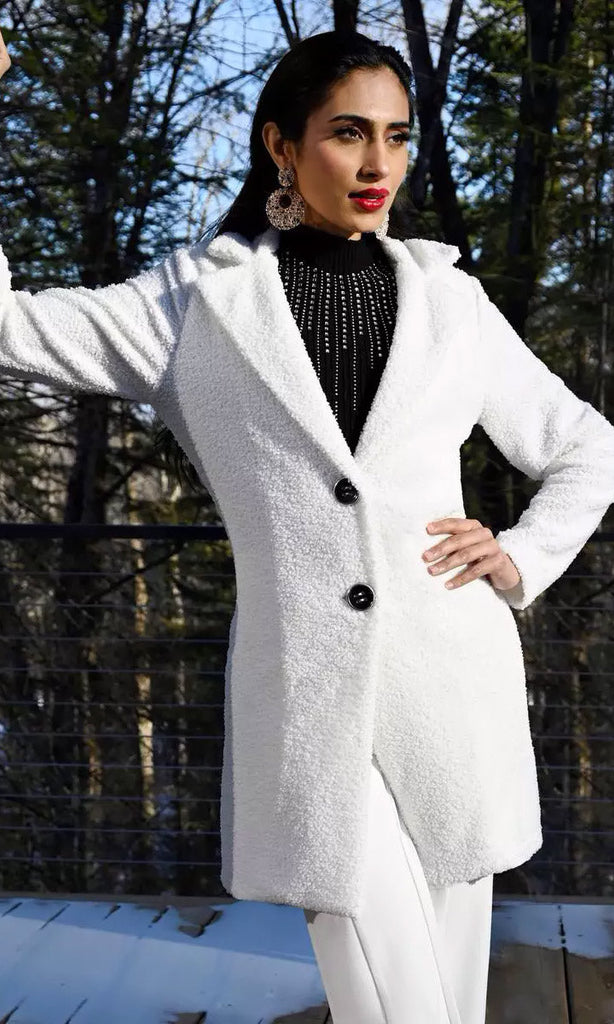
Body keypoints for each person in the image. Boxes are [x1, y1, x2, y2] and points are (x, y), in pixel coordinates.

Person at [1, 27, 614, 1024]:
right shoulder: (194, 304)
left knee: (447, 999)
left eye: (397, 136)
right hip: (309, 698)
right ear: (281, 145)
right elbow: (9, 326)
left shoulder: (450, 302)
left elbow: (587, 444)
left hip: (455, 685)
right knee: (391, 996)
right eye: (348, 133)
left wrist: (519, 554)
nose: (378, 164)